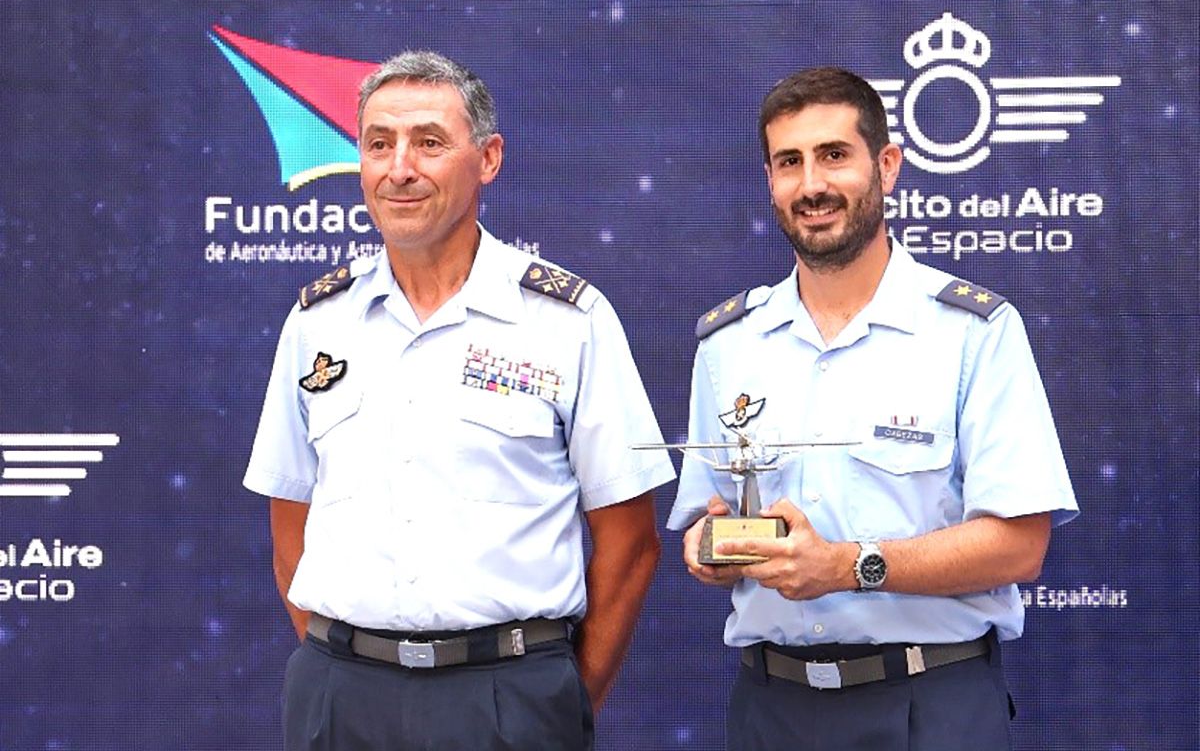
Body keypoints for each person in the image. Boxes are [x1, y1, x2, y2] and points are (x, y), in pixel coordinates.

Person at [244, 50, 675, 751]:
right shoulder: (316, 322)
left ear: (489, 158)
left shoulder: (568, 320)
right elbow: (291, 524)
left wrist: (556, 703)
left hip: (509, 699)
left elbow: (630, 542)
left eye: (429, 142)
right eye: (378, 144)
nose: (399, 168)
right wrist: (354, 663)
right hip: (341, 698)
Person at [666, 66, 1078, 751]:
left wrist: (847, 565)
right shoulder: (727, 345)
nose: (812, 185)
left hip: (931, 707)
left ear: (886, 166)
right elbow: (710, 523)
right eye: (788, 162)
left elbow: (1020, 544)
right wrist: (712, 552)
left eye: (834, 155)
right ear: (769, 179)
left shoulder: (973, 332)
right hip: (771, 710)